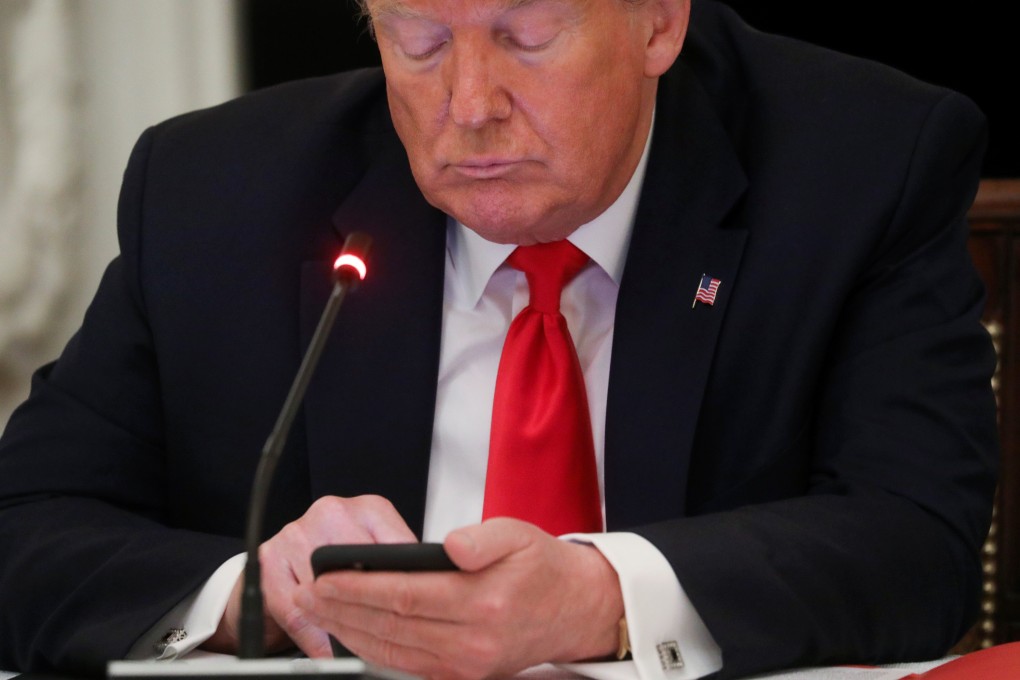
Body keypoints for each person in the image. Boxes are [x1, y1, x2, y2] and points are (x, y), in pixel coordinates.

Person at [0, 0, 999, 678]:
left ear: (658, 21)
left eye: (525, 36)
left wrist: (602, 597)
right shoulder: (216, 192)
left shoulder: (863, 166)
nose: (468, 106)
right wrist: (245, 592)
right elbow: (26, 522)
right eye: (421, 40)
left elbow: (918, 540)